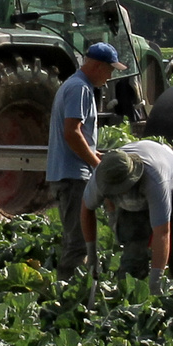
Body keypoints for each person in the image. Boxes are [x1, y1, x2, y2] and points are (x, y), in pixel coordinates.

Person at [83, 139, 173, 290]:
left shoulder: (155, 180)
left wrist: (156, 281)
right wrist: (91, 255)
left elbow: (162, 233)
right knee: (133, 255)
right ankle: (128, 298)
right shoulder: (101, 177)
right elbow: (86, 210)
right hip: (133, 206)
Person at [47, 43, 117, 276]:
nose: (110, 77)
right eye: (110, 70)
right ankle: (67, 295)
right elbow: (72, 133)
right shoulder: (80, 89)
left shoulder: (75, 85)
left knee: (76, 239)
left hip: (71, 172)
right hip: (72, 176)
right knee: (77, 244)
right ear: (97, 66)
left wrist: (94, 154)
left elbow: (76, 136)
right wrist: (96, 164)